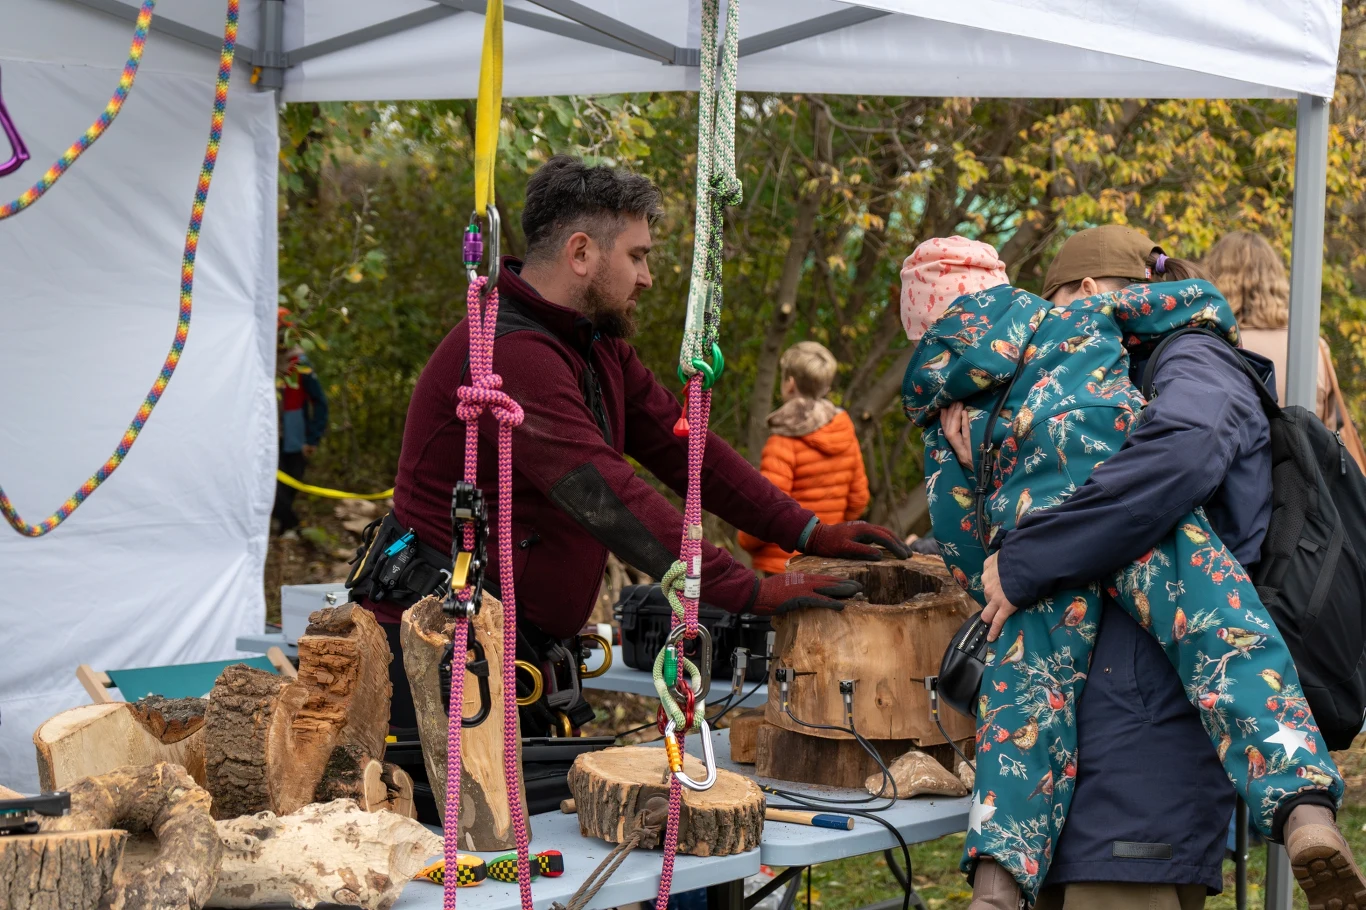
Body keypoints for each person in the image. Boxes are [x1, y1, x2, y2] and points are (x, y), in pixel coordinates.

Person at [349, 155, 907, 734]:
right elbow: (607, 497)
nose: (648, 277)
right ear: (582, 253)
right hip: (437, 662)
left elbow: (685, 448)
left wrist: (805, 529)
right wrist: (745, 589)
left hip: (502, 660)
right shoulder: (512, 353)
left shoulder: (593, 344)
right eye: (637, 256)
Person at [899, 232, 1356, 910]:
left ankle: (997, 883)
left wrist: (1023, 555)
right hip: (1117, 703)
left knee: (1026, 698)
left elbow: (1182, 455)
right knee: (1227, 644)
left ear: (1083, 293)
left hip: (1144, 726)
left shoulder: (1189, 357)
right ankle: (1303, 806)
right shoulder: (1105, 361)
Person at [1204, 230, 1366, 471]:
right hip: (1305, 492)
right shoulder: (1313, 347)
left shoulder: (1211, 347)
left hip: (1236, 492)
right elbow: (1328, 431)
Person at [738, 341, 870, 574]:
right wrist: (831, 529)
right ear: (826, 387)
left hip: (784, 563)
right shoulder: (844, 432)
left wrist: (746, 540)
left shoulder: (783, 441)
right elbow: (858, 499)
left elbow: (769, 509)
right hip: (827, 559)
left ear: (789, 384)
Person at [273, 307, 329, 539]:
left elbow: (320, 402)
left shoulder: (300, 362)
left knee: (290, 487)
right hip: (269, 438)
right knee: (272, 488)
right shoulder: (260, 361)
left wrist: (313, 438)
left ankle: (286, 528)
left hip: (296, 438)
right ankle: (292, 526)